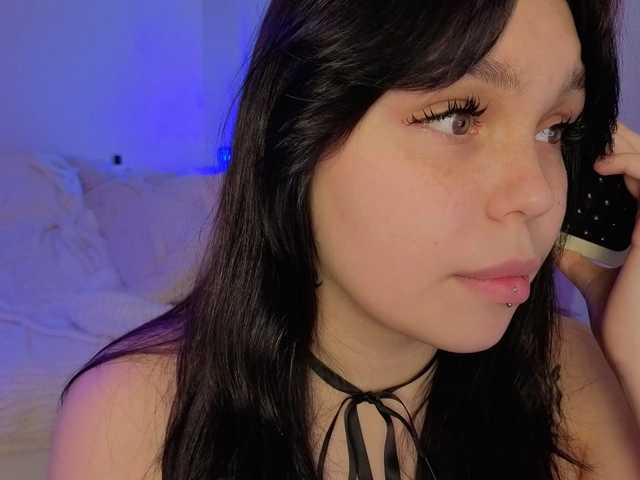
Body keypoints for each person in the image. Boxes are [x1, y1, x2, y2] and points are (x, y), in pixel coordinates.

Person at [47, 0, 640, 478]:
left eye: (554, 129)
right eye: (457, 117)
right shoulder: (133, 413)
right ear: (295, 137)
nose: (538, 195)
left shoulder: (567, 370)